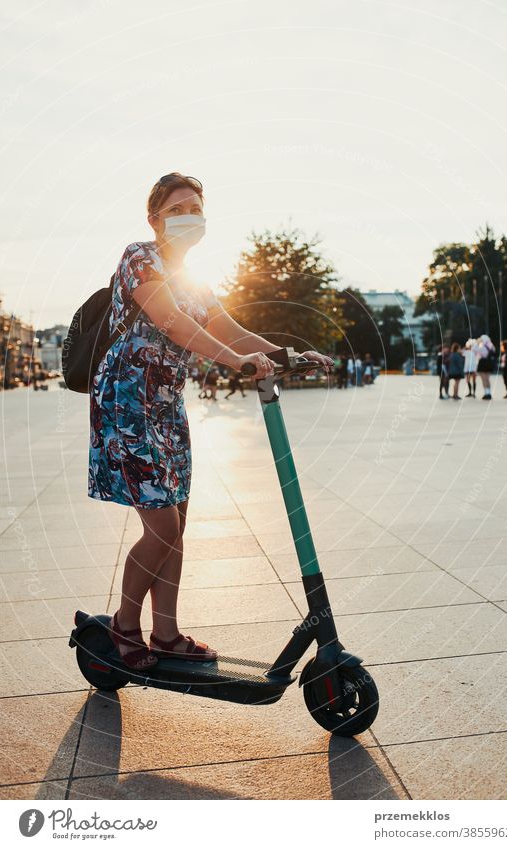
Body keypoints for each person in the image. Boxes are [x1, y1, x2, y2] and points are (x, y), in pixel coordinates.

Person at [88, 171, 334, 670]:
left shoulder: (196, 281)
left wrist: (288, 354)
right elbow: (172, 322)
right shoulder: (141, 258)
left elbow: (232, 331)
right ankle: (124, 628)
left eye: (194, 209)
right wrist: (232, 361)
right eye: (176, 210)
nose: (187, 218)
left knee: (177, 525)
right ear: (154, 218)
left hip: (167, 407)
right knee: (160, 527)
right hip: (126, 406)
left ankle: (167, 634)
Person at [476, 334, 497, 400]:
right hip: (489, 363)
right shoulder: (491, 345)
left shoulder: (481, 346)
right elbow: (494, 351)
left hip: (482, 362)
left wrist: (478, 342)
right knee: (487, 379)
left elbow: (475, 351)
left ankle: (486, 393)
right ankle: (489, 393)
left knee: (483, 379)